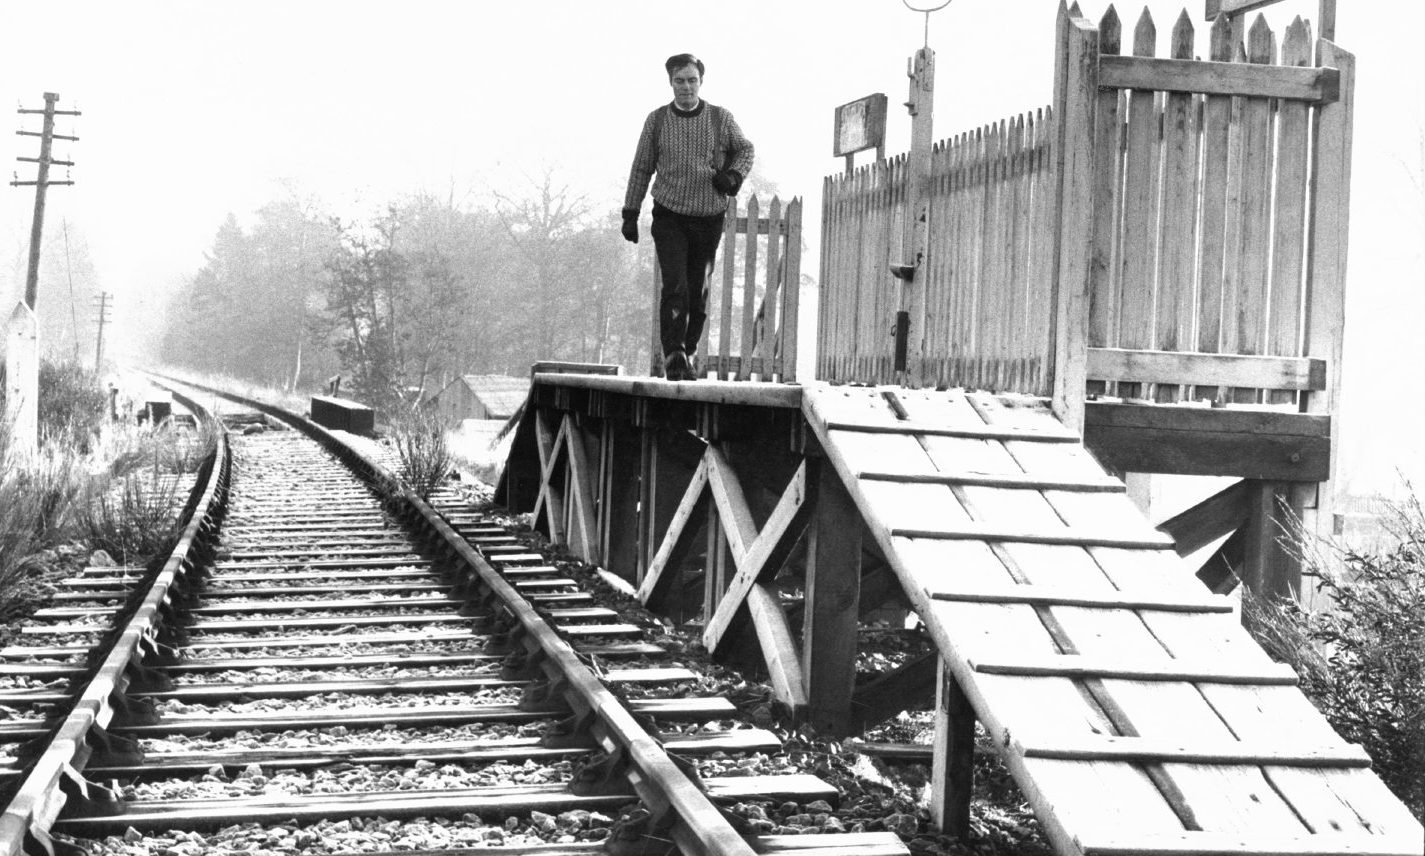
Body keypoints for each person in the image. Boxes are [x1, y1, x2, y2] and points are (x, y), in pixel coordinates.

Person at [622, 53, 754, 381]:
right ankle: (674, 353)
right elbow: (641, 166)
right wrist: (630, 211)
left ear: (701, 82)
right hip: (669, 214)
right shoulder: (656, 121)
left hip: (708, 216)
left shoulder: (720, 119)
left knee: (699, 289)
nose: (686, 87)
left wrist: (733, 176)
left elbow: (746, 149)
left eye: (692, 80)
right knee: (675, 284)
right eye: (679, 81)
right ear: (670, 83)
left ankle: (688, 349)